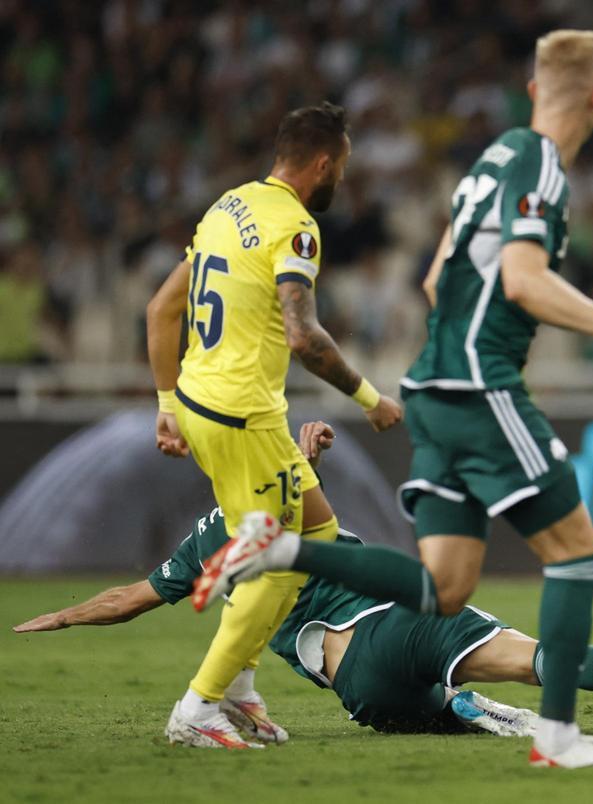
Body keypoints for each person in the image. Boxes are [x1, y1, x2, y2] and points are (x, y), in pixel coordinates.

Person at [201, 30, 593, 770]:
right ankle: (557, 740)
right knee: (578, 552)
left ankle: (282, 548)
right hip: (478, 383)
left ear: (530, 92)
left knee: (443, 587)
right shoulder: (543, 167)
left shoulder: (489, 160)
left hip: (431, 381)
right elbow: (521, 279)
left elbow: (434, 279)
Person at [13, 422, 593, 742]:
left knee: (416, 713)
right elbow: (309, 504)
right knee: (547, 660)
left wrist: (65, 617)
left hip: (359, 681)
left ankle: (460, 710)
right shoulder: (290, 496)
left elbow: (131, 600)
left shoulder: (207, 539)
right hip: (403, 618)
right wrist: (307, 449)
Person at [145, 101, 403, 749]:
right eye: (341, 165)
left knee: (315, 531)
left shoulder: (225, 208)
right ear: (323, 163)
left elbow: (160, 308)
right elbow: (304, 337)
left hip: (202, 403)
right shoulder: (296, 228)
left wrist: (167, 404)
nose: (341, 177)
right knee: (285, 560)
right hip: (243, 416)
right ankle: (197, 707)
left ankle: (238, 688)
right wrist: (371, 397)